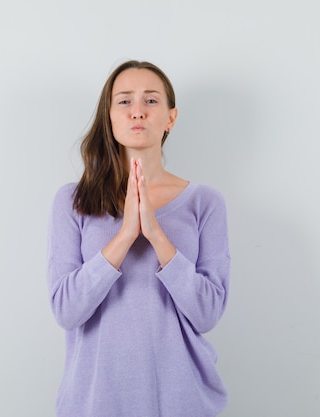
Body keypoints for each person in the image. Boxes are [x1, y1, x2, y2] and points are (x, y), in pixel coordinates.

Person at [47, 60, 231, 417]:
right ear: (109, 116)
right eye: (124, 101)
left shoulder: (205, 202)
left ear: (170, 118)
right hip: (94, 401)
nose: (138, 112)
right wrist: (126, 233)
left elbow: (208, 313)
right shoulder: (73, 201)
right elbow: (66, 310)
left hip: (182, 400)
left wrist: (156, 234)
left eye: (150, 101)